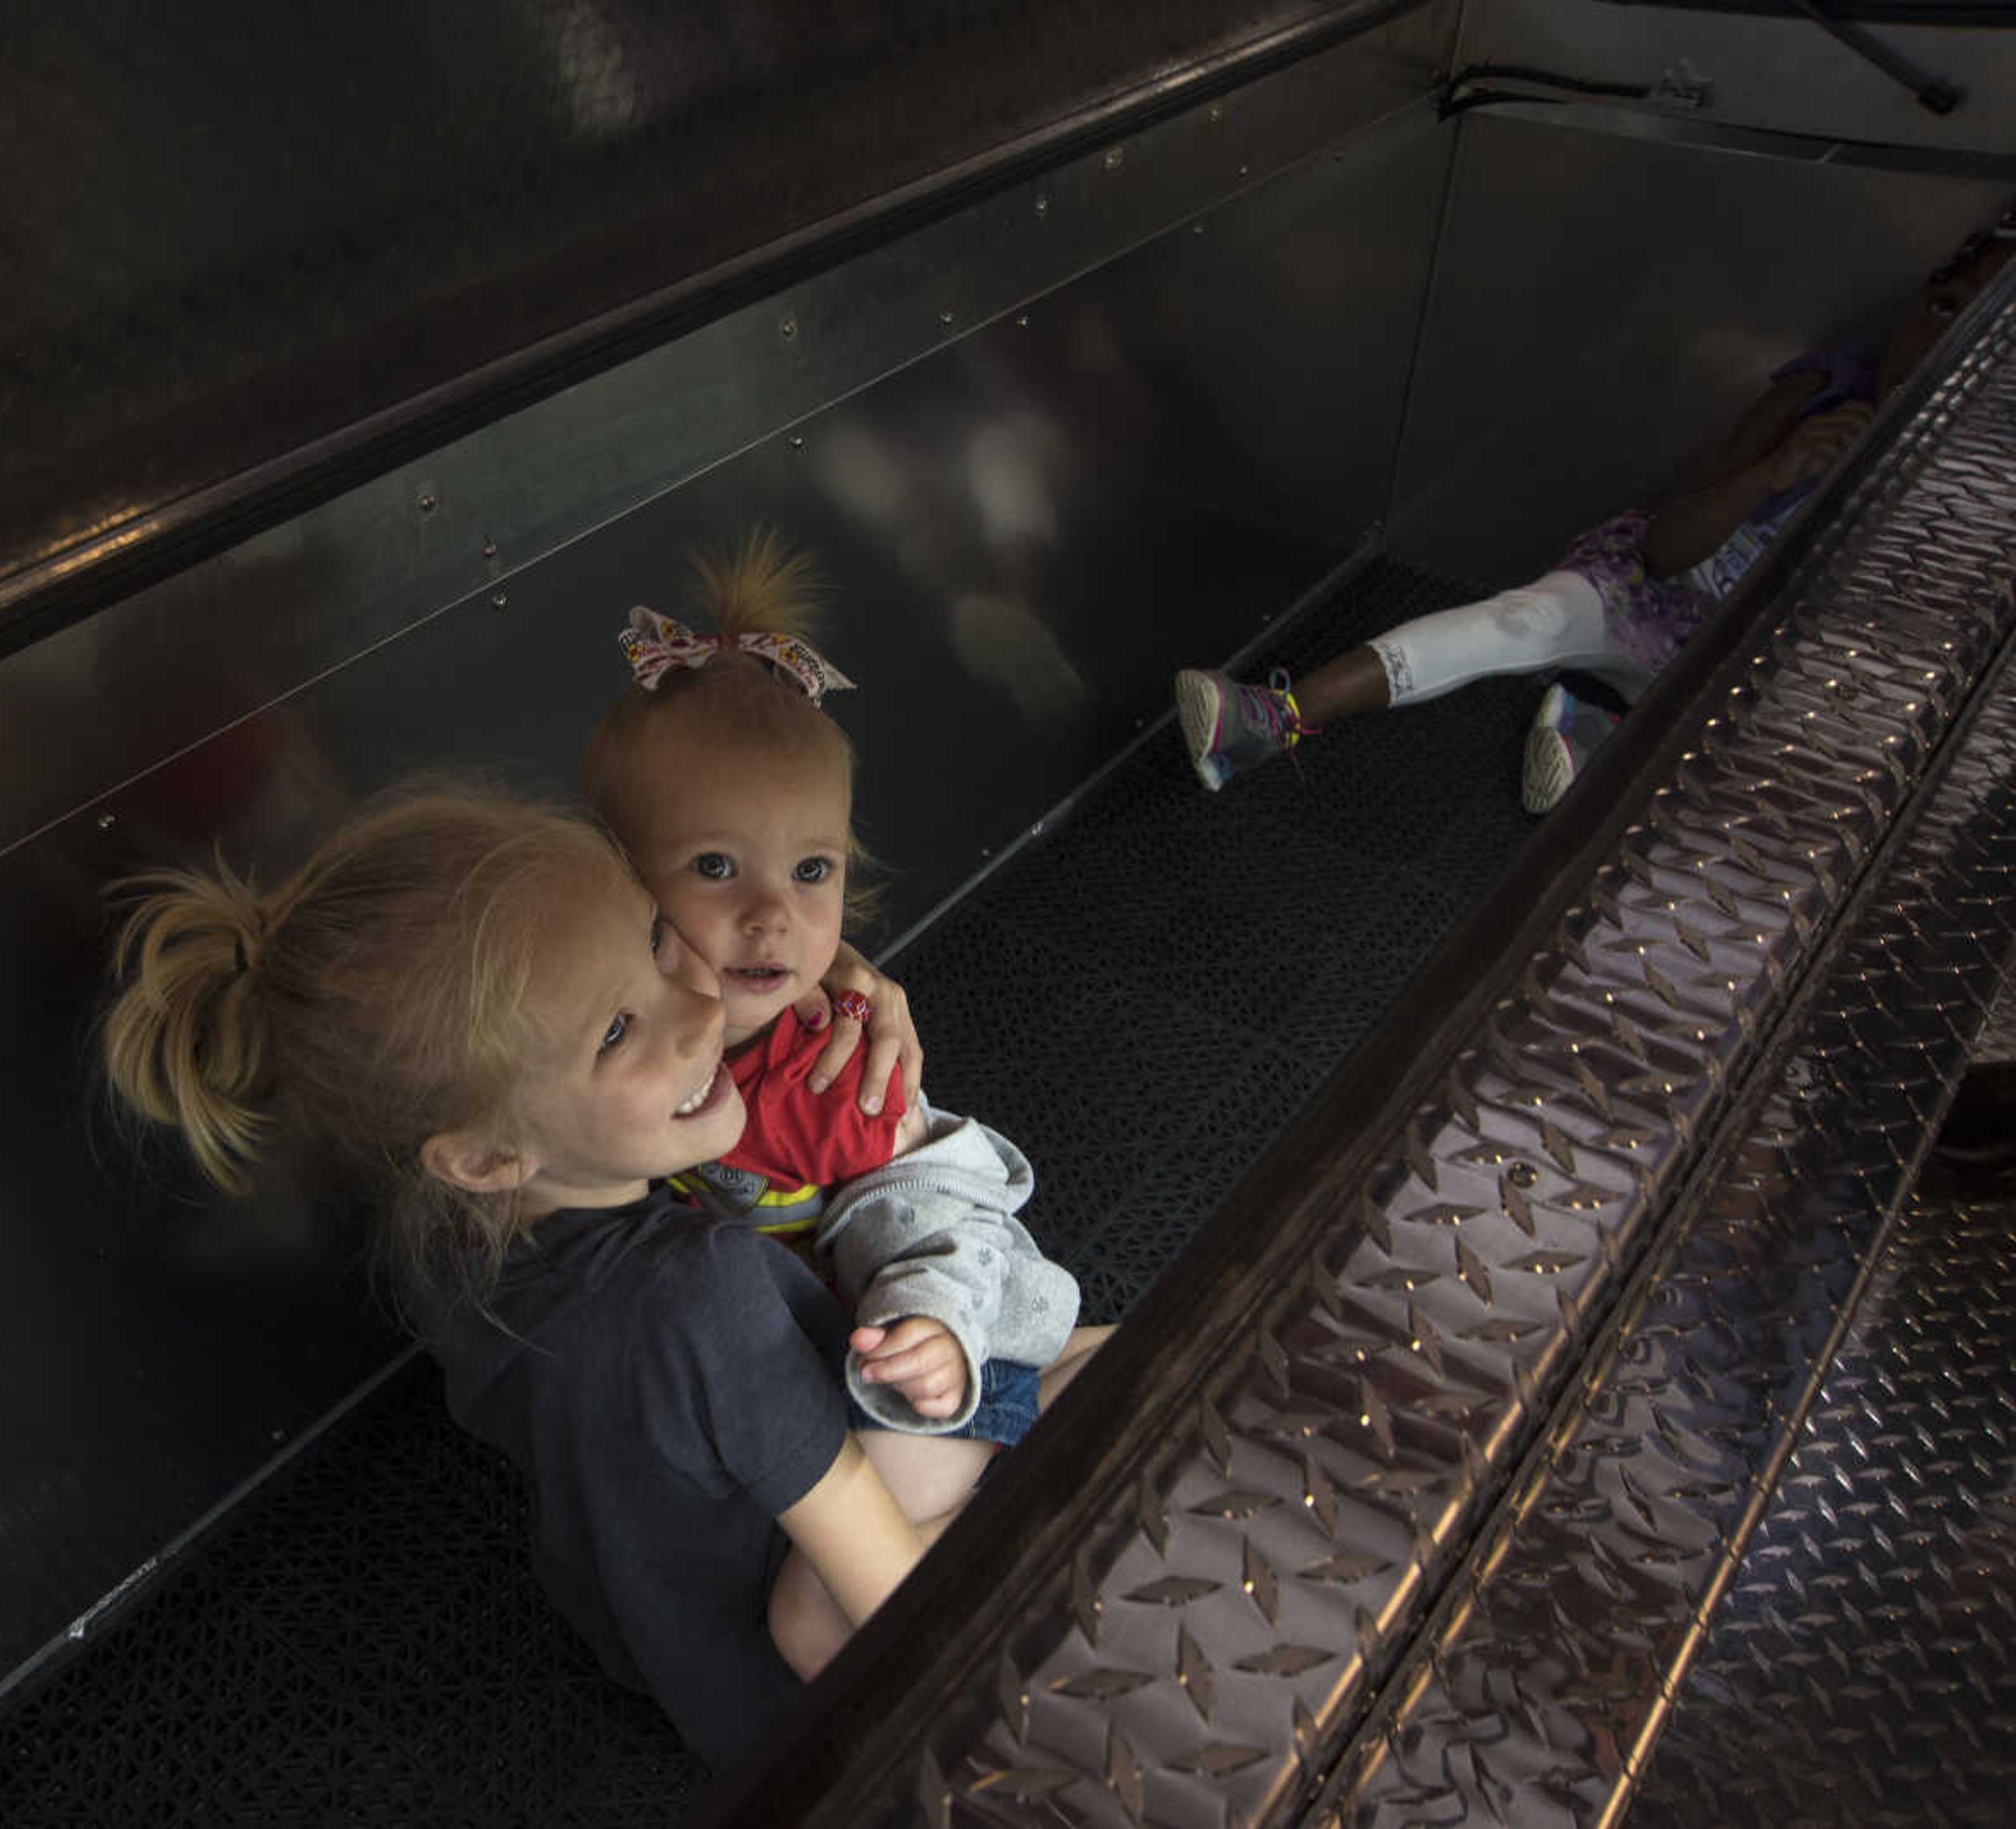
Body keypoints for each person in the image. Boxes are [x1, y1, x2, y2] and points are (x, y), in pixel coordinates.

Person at [101, 787, 957, 1768]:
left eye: (655, 937)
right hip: (811, 1684)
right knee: (1075, 1364)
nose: (699, 1003)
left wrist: (817, 966)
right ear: (481, 1155)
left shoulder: (456, 1230)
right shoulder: (695, 1290)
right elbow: (904, 1604)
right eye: (614, 1032)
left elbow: (552, 976)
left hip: (659, 1635)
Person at [582, 532, 1113, 1676]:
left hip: (907, 1355)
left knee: (807, 1623)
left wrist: (936, 1333)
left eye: (812, 871)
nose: (775, 917)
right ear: (620, 879)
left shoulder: (833, 1070)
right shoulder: (621, 1049)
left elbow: (941, 1209)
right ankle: (1071, 1378)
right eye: (718, 867)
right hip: (820, 1356)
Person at [1175, 222, 2016, 811]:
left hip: (1758, 665)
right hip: (1660, 589)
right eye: (1942, 306)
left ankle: (1595, 715)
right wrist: (1777, 473)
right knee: (1524, 620)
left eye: (1981, 333)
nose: (1939, 344)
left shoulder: (1976, 489)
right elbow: (1669, 542)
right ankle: (1268, 724)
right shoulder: (1830, 387)